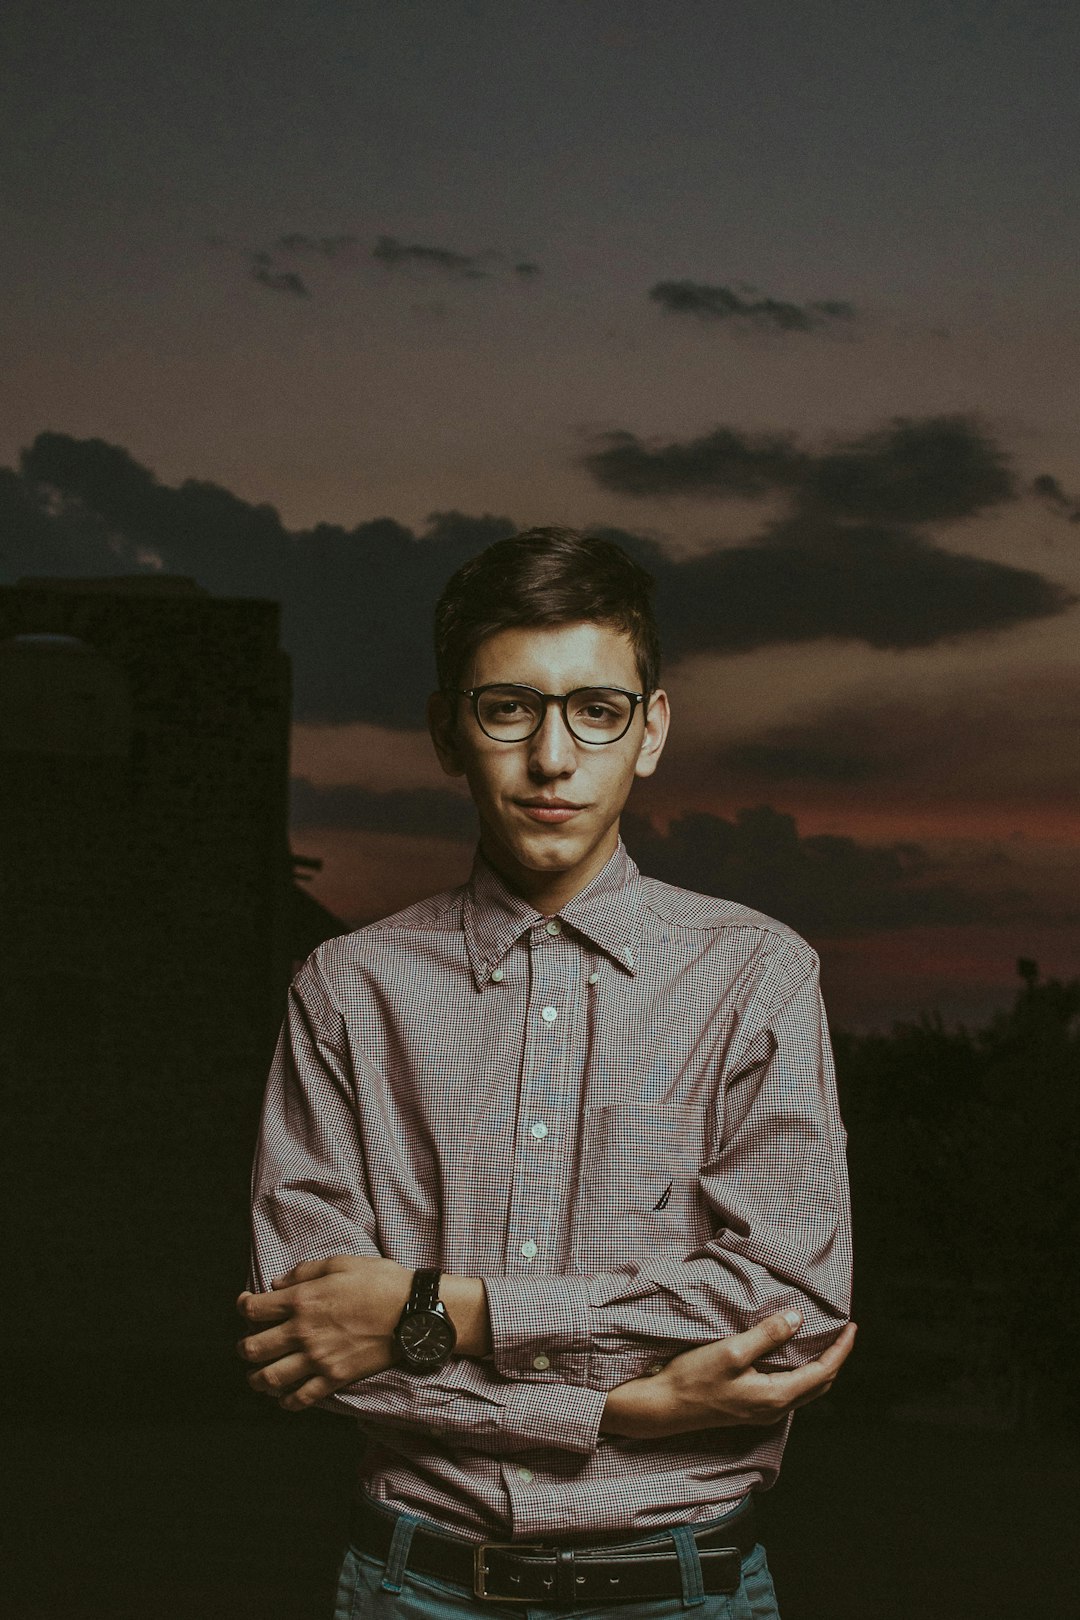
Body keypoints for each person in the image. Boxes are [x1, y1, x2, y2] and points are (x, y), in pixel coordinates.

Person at [236, 528, 855, 1618]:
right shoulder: (347, 991)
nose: (553, 759)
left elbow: (785, 1304)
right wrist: (627, 1411)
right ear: (447, 731)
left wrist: (444, 1309)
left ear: (650, 731)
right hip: (411, 1588)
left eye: (597, 710)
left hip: (682, 1592)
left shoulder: (758, 976)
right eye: (508, 708)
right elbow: (313, 1341)